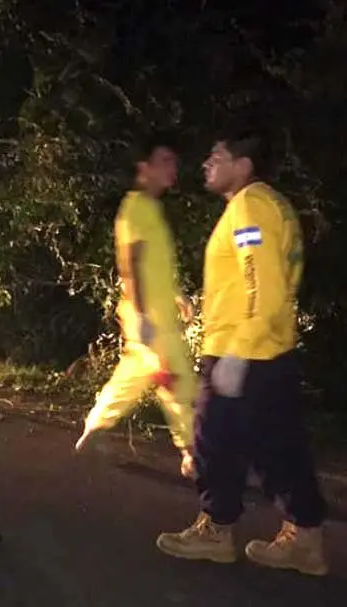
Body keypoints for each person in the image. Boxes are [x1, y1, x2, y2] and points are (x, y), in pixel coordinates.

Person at [156, 129, 328, 576]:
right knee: (278, 447)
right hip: (272, 352)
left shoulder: (250, 206)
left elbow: (261, 287)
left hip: (244, 352)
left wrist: (235, 355)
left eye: (217, 155)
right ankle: (305, 538)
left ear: (244, 164)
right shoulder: (274, 205)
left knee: (214, 441)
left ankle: (216, 530)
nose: (206, 162)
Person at [75, 135, 196, 477]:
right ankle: (192, 454)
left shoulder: (151, 208)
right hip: (149, 317)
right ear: (145, 168)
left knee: (135, 374)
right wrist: (142, 315)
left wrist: (176, 294)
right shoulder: (136, 208)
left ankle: (96, 425)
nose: (173, 168)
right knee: (175, 381)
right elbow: (130, 264)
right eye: (165, 161)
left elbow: (154, 265)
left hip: (154, 314)